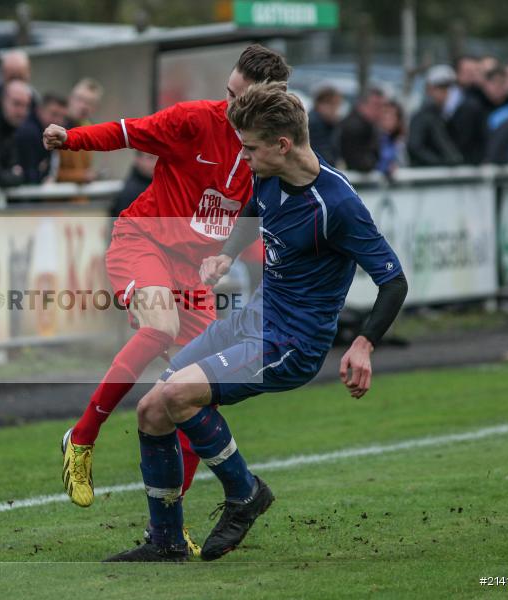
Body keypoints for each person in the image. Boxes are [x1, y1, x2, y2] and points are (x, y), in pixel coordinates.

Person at [103, 81, 408, 563]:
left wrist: (364, 344)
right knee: (153, 407)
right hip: (253, 319)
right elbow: (251, 209)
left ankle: (245, 494)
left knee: (180, 394)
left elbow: (394, 282)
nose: (241, 158)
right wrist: (225, 255)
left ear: (282, 145)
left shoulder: (337, 205)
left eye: (249, 149)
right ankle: (164, 542)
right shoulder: (266, 175)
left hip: (293, 342)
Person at [43, 45, 291, 528]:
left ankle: (169, 531)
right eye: (228, 94)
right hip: (143, 241)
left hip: (193, 273)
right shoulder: (195, 121)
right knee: (160, 325)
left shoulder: (268, 149)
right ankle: (82, 437)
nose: (230, 107)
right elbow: (125, 131)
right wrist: (69, 138)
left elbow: (264, 211)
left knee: (197, 393)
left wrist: (230, 256)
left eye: (241, 100)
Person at [448, 66, 508, 165]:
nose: (499, 87)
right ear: (485, 84)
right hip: (472, 166)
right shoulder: (471, 107)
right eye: (494, 82)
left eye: (502, 83)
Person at [407, 65, 463, 167]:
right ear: (428, 89)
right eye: (440, 88)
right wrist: (439, 163)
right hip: (425, 176)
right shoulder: (421, 116)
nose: (445, 92)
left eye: (447, 88)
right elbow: (415, 147)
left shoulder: (445, 115)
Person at [56, 78, 104, 184]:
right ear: (70, 99)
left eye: (90, 103)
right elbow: (52, 173)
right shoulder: (56, 127)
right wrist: (82, 176)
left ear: (95, 108)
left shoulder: (90, 129)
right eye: (80, 99)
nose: (84, 106)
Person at [15, 93, 68, 184]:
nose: (58, 121)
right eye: (54, 114)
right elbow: (30, 175)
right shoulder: (29, 133)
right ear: (40, 110)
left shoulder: (48, 134)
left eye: (62, 116)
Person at [338, 87, 386, 172]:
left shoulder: (372, 127)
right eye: (376, 105)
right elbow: (359, 162)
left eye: (382, 106)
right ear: (362, 105)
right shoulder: (353, 127)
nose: (380, 110)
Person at [110, 151, 158, 217]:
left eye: (159, 158)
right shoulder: (130, 193)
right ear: (138, 160)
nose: (156, 162)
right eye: (151, 158)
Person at [307, 85, 342, 165]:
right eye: (331, 104)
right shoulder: (312, 123)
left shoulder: (330, 124)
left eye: (337, 105)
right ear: (320, 104)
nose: (335, 109)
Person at [377, 99, 406, 175]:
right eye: (385, 113)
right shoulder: (374, 140)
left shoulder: (404, 141)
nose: (387, 118)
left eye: (392, 115)